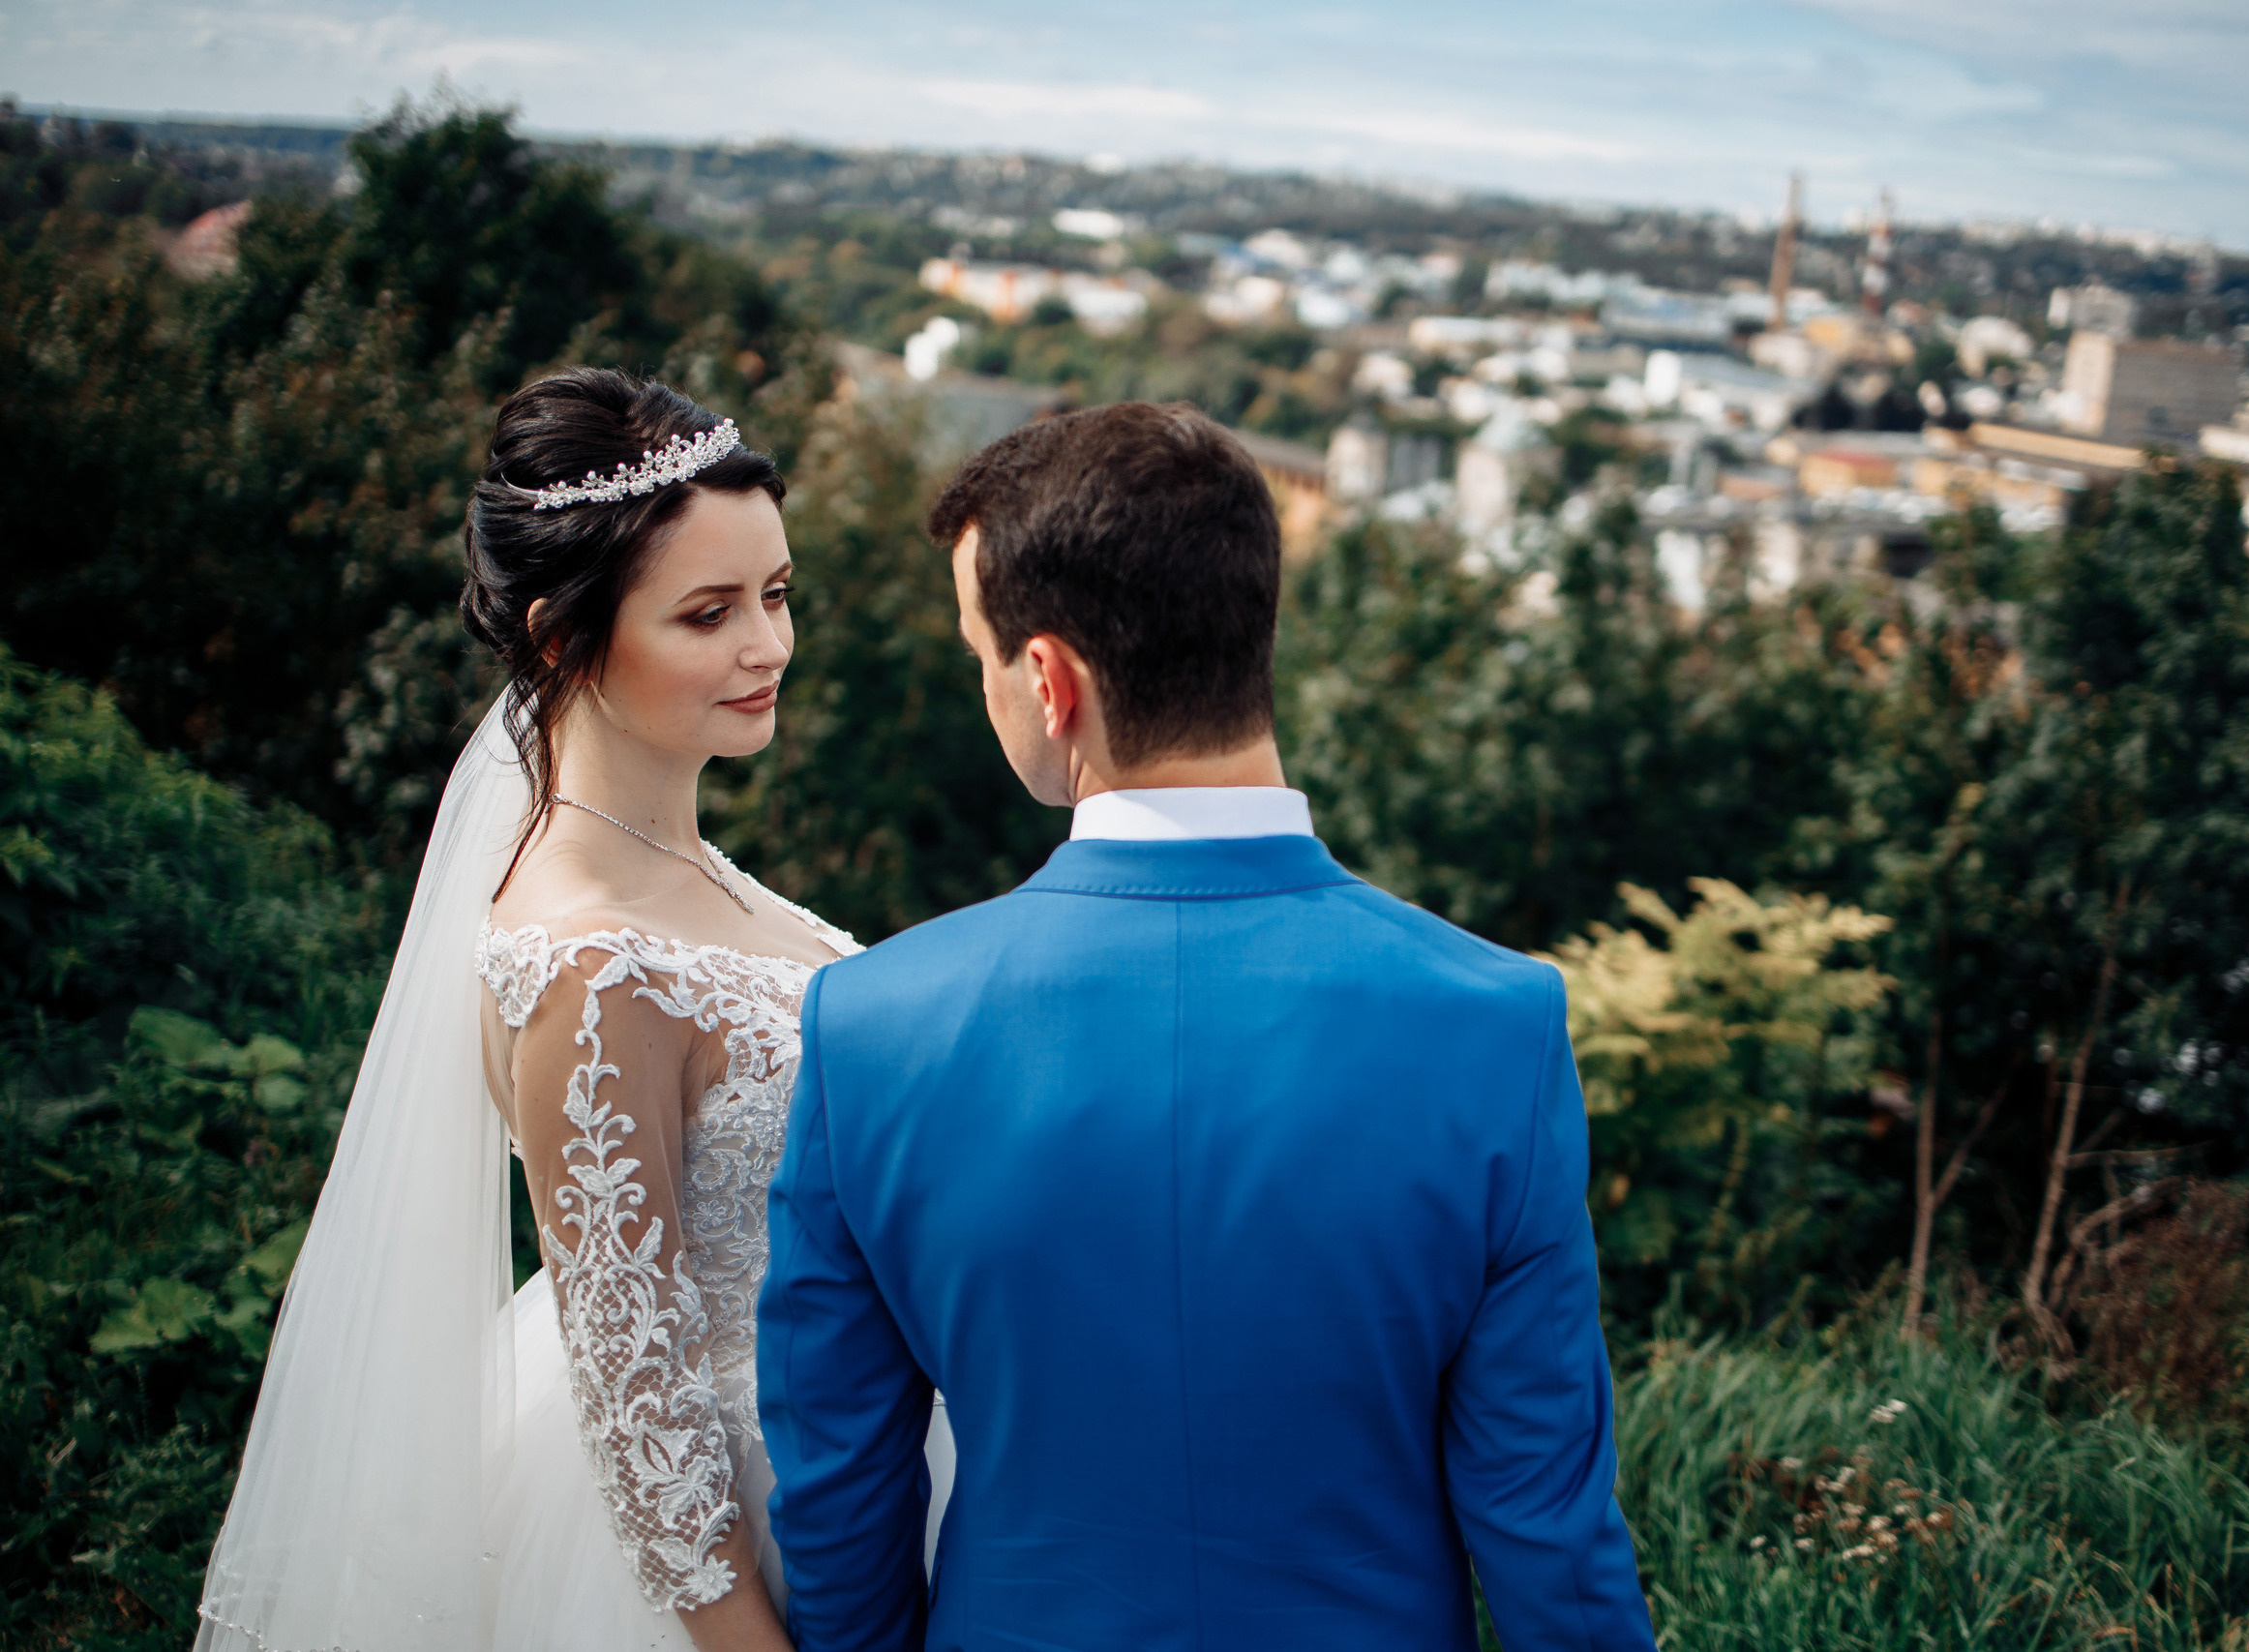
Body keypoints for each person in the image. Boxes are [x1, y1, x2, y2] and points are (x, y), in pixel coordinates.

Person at [758, 402, 1659, 1651]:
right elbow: (1550, 1533)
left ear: (1048, 680)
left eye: (979, 654)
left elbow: (844, 1501)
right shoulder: (1496, 1024)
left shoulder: (871, 1029)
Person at [195, 368, 949, 1652]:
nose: (767, 646)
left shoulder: (687, 872)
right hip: (714, 1540)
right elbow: (638, 1391)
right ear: (560, 636)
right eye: (709, 614)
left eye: (776, 595)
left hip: (847, 1442)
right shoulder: (587, 962)